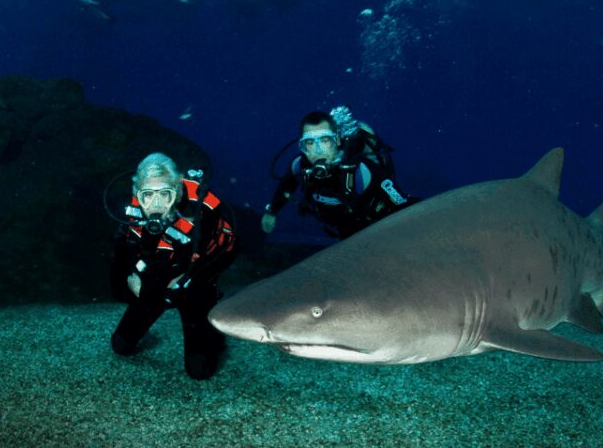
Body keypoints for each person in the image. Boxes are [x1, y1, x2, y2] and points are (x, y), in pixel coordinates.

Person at [109, 152, 236, 380]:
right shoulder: (134, 211)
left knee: (199, 371)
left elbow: (223, 252)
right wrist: (134, 274)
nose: (156, 204)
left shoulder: (202, 210)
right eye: (147, 195)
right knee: (120, 345)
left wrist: (187, 280)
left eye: (164, 194)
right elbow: (125, 249)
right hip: (157, 276)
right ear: (138, 194)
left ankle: (214, 335)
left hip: (195, 279)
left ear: (176, 192)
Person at [261, 108, 414, 239]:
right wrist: (271, 211)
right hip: (343, 233)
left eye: (325, 140)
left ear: (337, 141)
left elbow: (404, 205)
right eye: (309, 143)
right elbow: (286, 185)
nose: (318, 150)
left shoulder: (361, 170)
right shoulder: (299, 165)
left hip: (376, 229)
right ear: (302, 146)